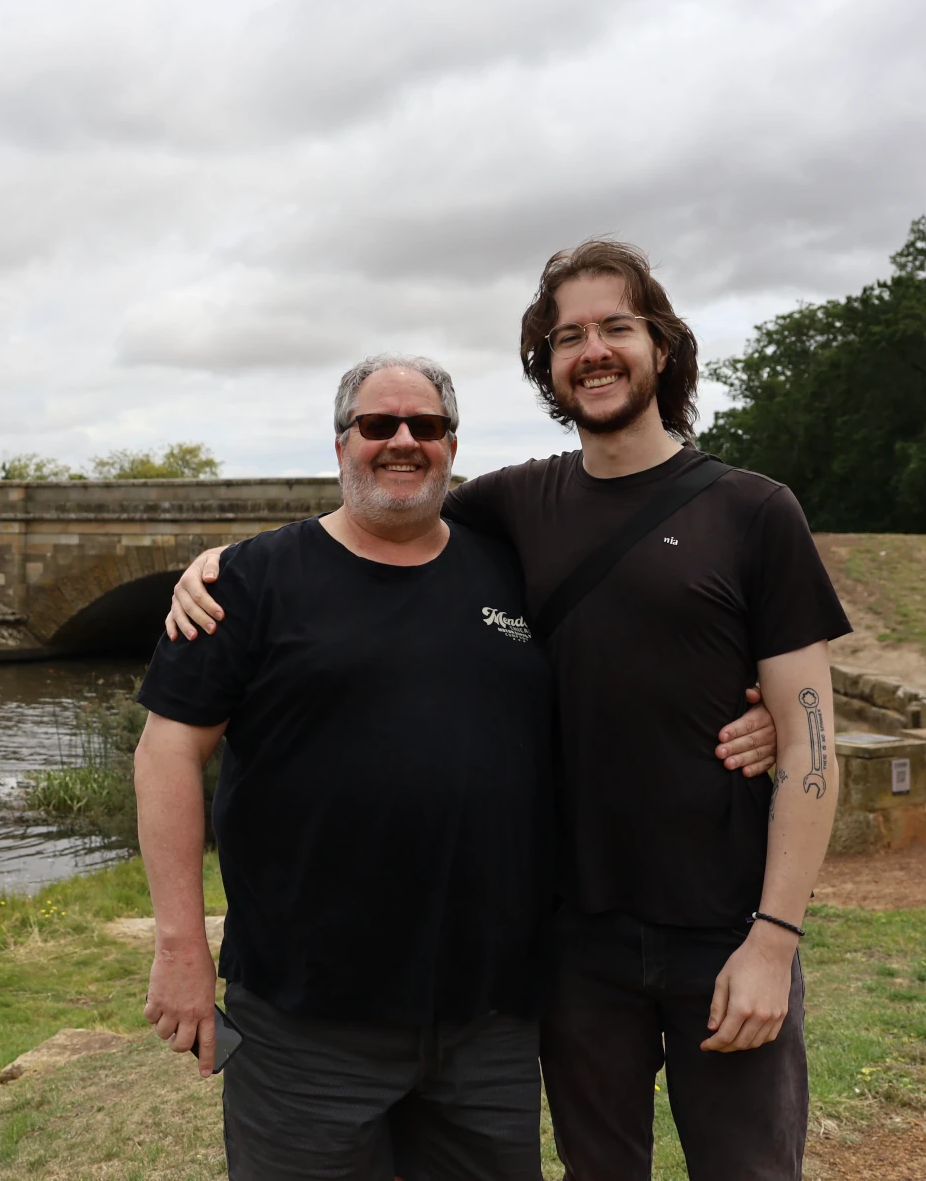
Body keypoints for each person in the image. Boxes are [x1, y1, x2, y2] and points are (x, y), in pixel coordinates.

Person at [166, 240, 848, 1181]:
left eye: (616, 326)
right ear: (546, 363)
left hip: (723, 925)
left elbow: (814, 744)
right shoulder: (516, 505)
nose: (592, 349)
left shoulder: (755, 511)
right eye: (568, 335)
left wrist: (776, 936)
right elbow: (379, 517)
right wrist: (214, 570)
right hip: (572, 945)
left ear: (663, 344)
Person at [139, 354, 553, 1180]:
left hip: (488, 1019)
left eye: (425, 427)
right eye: (378, 425)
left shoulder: (514, 570)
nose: (402, 442)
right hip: (307, 1023)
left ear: (451, 445)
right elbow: (167, 755)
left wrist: (754, 698)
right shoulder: (248, 581)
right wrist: (183, 947)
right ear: (341, 445)